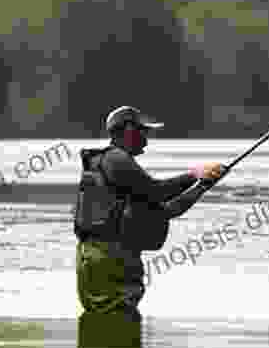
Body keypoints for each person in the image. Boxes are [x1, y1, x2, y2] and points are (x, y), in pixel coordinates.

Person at [74, 105, 224, 314]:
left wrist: (203, 185)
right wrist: (194, 174)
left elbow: (168, 209)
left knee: (109, 334)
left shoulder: (114, 170)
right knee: (120, 330)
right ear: (127, 130)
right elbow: (158, 191)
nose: (146, 139)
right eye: (142, 132)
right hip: (106, 261)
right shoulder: (116, 160)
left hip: (100, 261)